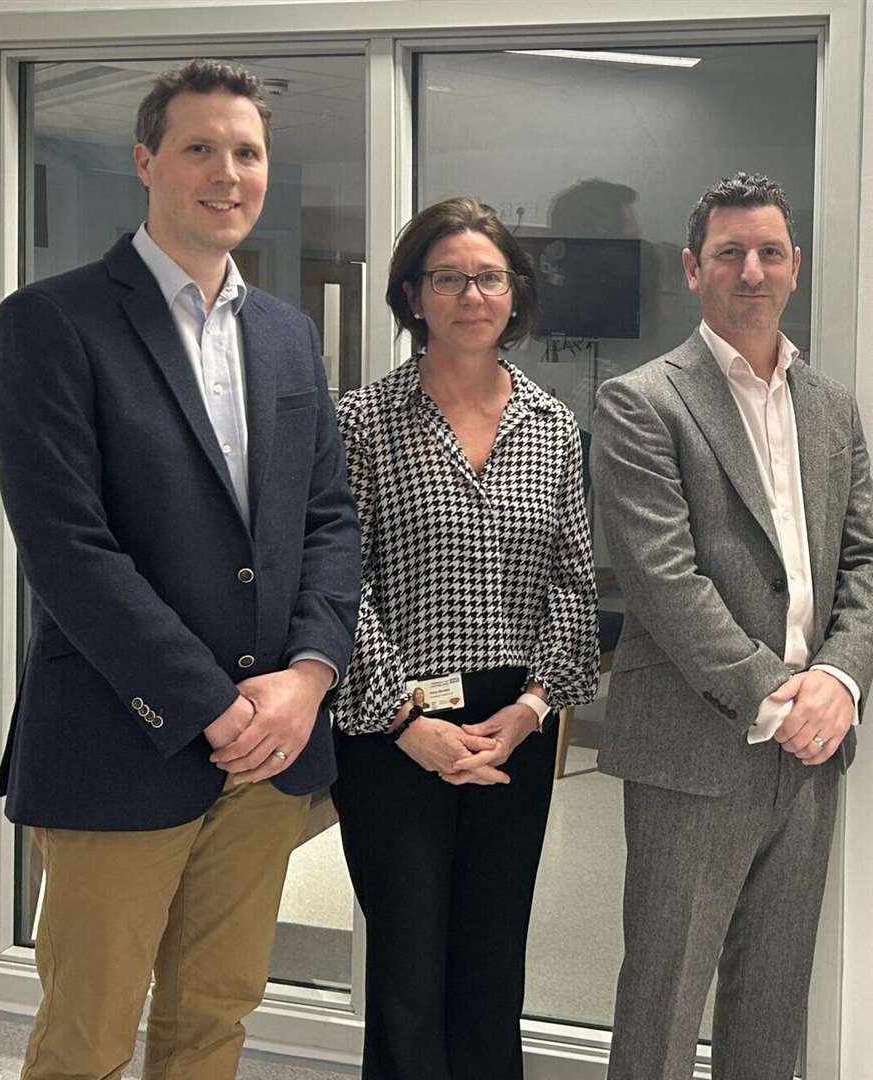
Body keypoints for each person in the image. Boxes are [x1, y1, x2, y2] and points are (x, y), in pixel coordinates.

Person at [0, 59, 361, 1080]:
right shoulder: (51, 322)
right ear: (146, 160)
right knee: (87, 1037)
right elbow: (67, 546)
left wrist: (309, 677)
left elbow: (328, 520)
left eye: (246, 152)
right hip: (123, 740)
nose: (226, 172)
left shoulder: (286, 337)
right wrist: (209, 704)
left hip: (268, 757)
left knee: (213, 1023)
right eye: (200, 147)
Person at [591, 172, 873, 1080]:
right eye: (729, 254)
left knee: (773, 994)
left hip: (809, 749)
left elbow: (870, 563)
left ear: (794, 266)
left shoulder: (829, 404)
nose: (750, 271)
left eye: (769, 253)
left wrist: (836, 685)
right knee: (663, 995)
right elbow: (662, 581)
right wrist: (776, 696)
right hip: (695, 744)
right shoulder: (644, 402)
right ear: (694, 268)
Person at [331, 195, 599, 1080]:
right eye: (447, 278)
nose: (470, 295)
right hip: (393, 726)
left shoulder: (553, 426)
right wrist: (406, 720)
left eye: (488, 277)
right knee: (408, 967)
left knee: (492, 961)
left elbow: (572, 580)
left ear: (515, 294)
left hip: (512, 723)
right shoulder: (363, 422)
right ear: (413, 296)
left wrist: (532, 708)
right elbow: (340, 586)